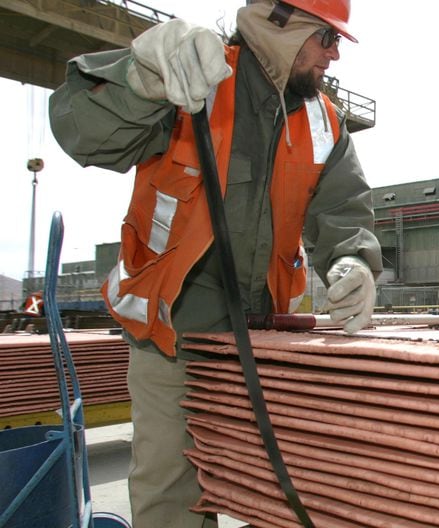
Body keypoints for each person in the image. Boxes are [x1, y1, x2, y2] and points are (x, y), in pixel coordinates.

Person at [48, 1, 382, 526]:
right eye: (325, 38)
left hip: (263, 335)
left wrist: (353, 262)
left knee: (278, 488)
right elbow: (84, 134)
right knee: (170, 491)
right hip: (171, 332)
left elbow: (343, 210)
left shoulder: (324, 120)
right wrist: (139, 78)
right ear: (278, 23)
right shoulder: (194, 79)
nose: (334, 55)